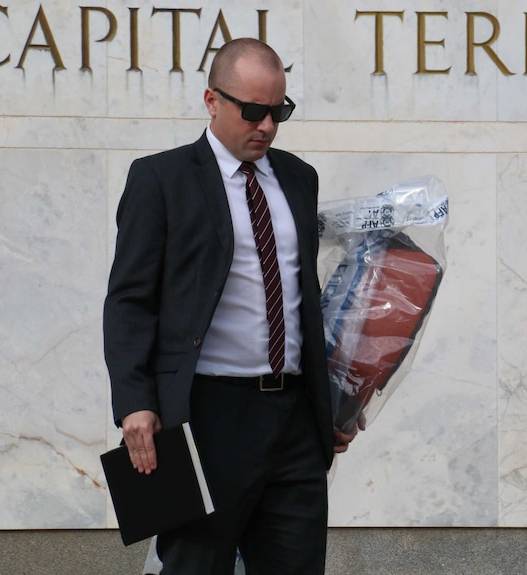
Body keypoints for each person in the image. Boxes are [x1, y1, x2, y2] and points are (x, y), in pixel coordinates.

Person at [103, 38, 357, 575]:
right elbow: (129, 300)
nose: (265, 125)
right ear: (212, 100)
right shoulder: (160, 179)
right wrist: (134, 403)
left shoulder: (297, 177)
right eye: (253, 110)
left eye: (278, 112)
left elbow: (304, 299)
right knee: (196, 567)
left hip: (293, 421)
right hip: (205, 415)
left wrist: (331, 402)